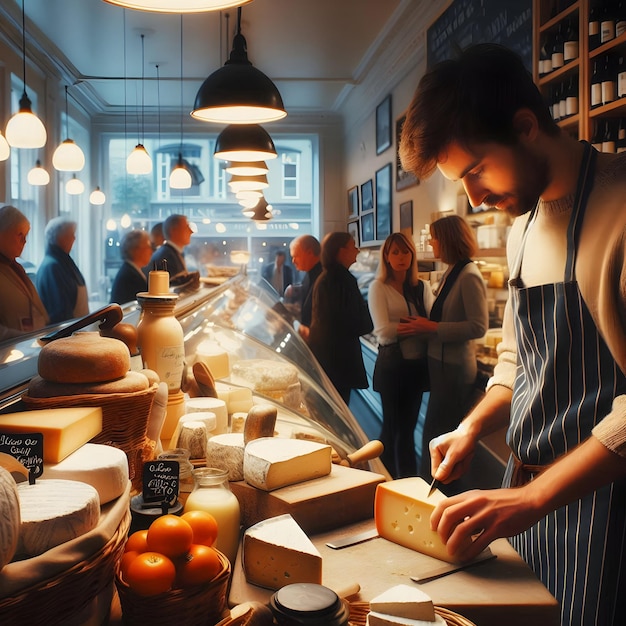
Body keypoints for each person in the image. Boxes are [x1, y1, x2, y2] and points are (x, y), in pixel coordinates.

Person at [399, 43, 626, 626]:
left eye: (474, 170)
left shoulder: (620, 210)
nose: (472, 198)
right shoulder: (524, 227)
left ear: (525, 127)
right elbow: (517, 362)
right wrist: (472, 426)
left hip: (602, 507)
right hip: (522, 494)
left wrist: (533, 499)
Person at [408, 215, 488, 480]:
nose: (431, 243)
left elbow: (478, 326)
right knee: (435, 436)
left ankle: (438, 495)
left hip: (454, 371)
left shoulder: (469, 274)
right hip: (441, 367)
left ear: (448, 239)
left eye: (435, 237)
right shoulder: (452, 271)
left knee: (439, 437)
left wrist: (431, 328)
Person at [368, 232, 433, 478]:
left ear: (412, 255)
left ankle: (405, 482)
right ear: (386, 256)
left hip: (416, 368)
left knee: (407, 431)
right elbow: (383, 330)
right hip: (392, 367)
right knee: (392, 429)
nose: (401, 257)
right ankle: (385, 480)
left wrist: (416, 326)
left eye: (405, 251)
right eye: (395, 252)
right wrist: (418, 326)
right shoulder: (378, 287)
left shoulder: (420, 287)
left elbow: (434, 320)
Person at [308, 231, 373, 404]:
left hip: (327, 360)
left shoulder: (326, 277)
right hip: (338, 363)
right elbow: (356, 323)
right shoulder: (342, 280)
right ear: (340, 250)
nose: (357, 251)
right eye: (353, 246)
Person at [0, 205, 49, 341]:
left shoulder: (15, 267)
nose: (24, 241)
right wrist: (25, 339)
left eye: (26, 235)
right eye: (19, 234)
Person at [36, 216, 89, 324]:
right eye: (71, 235)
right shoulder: (51, 267)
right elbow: (59, 313)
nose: (74, 238)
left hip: (77, 329)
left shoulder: (64, 262)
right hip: (68, 334)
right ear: (59, 237)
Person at [287, 234, 322, 341]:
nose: (293, 261)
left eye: (295, 256)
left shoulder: (325, 278)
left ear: (310, 253)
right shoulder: (307, 275)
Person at [110, 229, 152, 304]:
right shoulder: (131, 276)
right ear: (137, 250)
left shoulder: (130, 270)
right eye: (148, 246)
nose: (151, 251)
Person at [146, 214, 193, 279]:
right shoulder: (166, 258)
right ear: (174, 231)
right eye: (187, 227)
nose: (191, 231)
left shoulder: (172, 253)